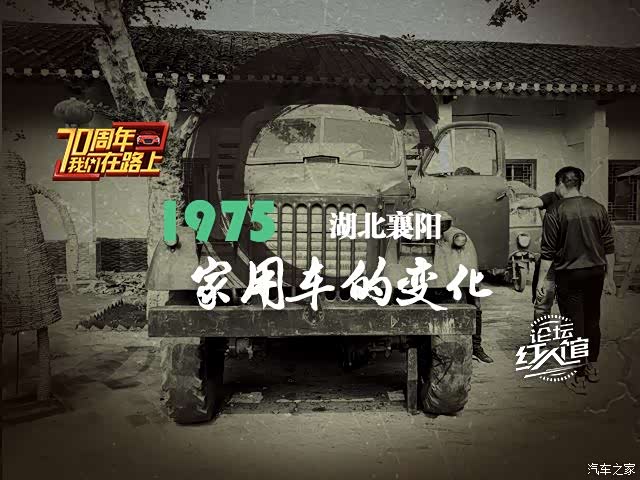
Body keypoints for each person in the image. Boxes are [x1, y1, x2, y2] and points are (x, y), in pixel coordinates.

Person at [536, 167, 616, 394]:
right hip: (596, 272)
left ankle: (578, 377)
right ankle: (592, 367)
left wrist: (542, 281)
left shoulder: (555, 211)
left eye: (556, 184)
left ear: (561, 183)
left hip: (570, 275)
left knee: (574, 324)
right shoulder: (598, 207)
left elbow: (548, 252)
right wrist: (610, 277)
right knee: (592, 319)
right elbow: (609, 246)